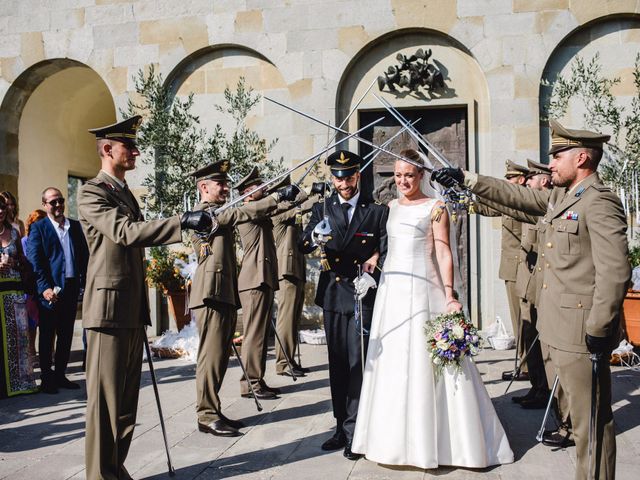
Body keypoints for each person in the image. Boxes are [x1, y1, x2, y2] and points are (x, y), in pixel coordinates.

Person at [433, 119, 628, 480]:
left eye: (558, 155)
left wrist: (600, 329)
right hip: (558, 327)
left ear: (582, 157)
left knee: (592, 425)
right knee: (583, 424)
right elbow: (518, 197)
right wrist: (466, 178)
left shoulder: (599, 203)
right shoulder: (564, 197)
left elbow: (615, 272)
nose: (551, 162)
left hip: (582, 332)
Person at [351, 149, 514, 469]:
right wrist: (371, 259)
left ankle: (444, 442)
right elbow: (383, 245)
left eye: (408, 175)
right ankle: (390, 440)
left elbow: (443, 252)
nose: (402, 181)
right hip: (393, 292)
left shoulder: (437, 207)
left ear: (421, 175)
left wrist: (450, 294)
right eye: (397, 175)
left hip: (425, 290)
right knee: (394, 362)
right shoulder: (391, 207)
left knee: (433, 363)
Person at [78, 115, 211, 479]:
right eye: (129, 146)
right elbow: (124, 231)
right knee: (104, 405)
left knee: (125, 405)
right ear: (107, 149)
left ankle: (114, 469)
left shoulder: (122, 192)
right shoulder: (92, 192)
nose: (136, 151)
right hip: (106, 312)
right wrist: (181, 221)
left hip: (130, 309)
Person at [189, 161, 300, 437]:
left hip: (221, 292)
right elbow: (242, 212)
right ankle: (206, 414)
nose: (227, 188)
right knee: (210, 357)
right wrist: (276, 197)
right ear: (204, 187)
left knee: (218, 358)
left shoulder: (220, 211)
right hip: (210, 294)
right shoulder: (204, 213)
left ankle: (212, 409)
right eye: (221, 184)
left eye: (227, 183)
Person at [299, 150, 388, 460]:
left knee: (357, 365)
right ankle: (341, 427)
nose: (344, 184)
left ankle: (355, 432)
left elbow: (386, 250)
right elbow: (302, 245)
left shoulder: (375, 211)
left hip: (362, 294)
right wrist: (314, 235)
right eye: (338, 178)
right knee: (337, 364)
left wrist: (373, 274)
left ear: (358, 176)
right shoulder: (322, 207)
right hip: (334, 295)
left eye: (349, 178)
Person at [235, 167, 302, 399]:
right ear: (246, 194)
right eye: (258, 188)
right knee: (253, 335)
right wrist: (282, 195)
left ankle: (257, 379)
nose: (264, 189)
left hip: (262, 278)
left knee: (261, 334)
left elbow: (278, 207)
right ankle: (250, 383)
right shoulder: (247, 210)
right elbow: (274, 207)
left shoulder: (260, 210)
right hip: (253, 280)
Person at [27, 187, 89, 394]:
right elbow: (36, 262)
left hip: (71, 287)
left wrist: (85, 282)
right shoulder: (39, 228)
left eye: (60, 200)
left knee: (66, 334)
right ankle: (47, 378)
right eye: (52, 202)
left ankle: (61, 375)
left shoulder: (75, 227)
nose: (58, 205)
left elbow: (84, 257)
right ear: (45, 205)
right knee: (46, 335)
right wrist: (44, 288)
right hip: (50, 290)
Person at [473, 161, 529, 382]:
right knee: (518, 321)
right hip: (510, 268)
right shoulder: (512, 200)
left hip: (520, 268)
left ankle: (527, 368)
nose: (507, 182)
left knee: (523, 321)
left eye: (511, 178)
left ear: (521, 180)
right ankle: (524, 364)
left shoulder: (522, 201)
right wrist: (465, 199)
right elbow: (488, 208)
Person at [270, 176, 325, 377]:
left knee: (294, 318)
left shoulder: (289, 211)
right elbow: (303, 205)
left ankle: (290, 359)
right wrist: (311, 191)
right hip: (286, 270)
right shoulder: (277, 211)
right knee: (286, 318)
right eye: (288, 191)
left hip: (296, 267)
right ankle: (283, 363)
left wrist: (318, 195)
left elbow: (304, 206)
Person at [0, 195, 38, 399]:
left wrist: (14, 263)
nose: (0, 211)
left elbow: (23, 261)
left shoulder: (14, 232)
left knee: (18, 337)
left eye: (2, 207)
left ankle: (19, 382)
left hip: (14, 290)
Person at [22, 209, 47, 365]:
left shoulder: (48, 239)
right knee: (31, 322)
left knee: (44, 321)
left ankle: (48, 352)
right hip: (30, 286)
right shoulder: (25, 241)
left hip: (45, 284)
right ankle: (31, 352)